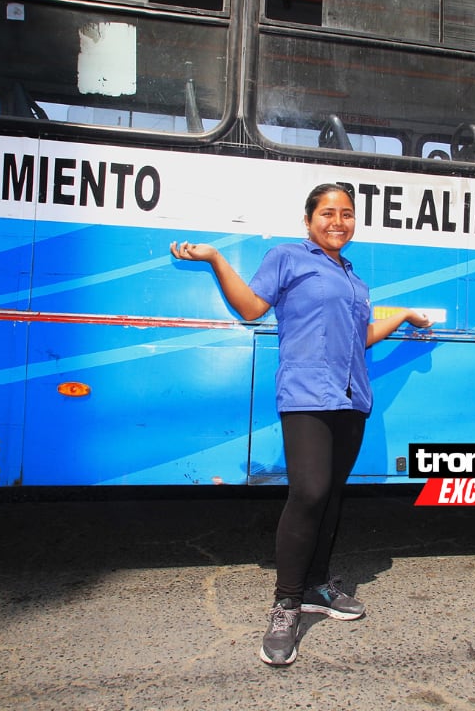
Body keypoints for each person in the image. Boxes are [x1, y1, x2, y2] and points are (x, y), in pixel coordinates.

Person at [170, 183, 431, 667]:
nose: (339, 221)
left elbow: (361, 338)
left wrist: (403, 317)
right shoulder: (288, 257)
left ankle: (318, 585)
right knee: (308, 493)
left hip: (353, 400)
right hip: (308, 394)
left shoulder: (355, 280)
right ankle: (287, 603)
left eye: (347, 214)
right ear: (309, 220)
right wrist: (214, 259)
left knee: (331, 496)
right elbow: (251, 307)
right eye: (328, 213)